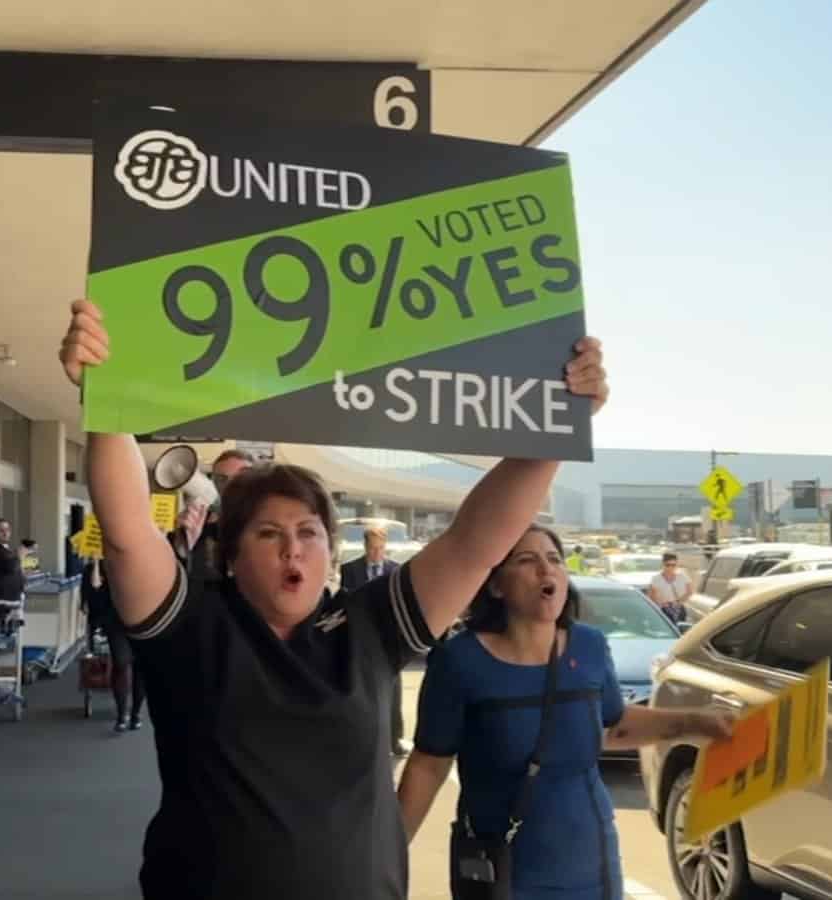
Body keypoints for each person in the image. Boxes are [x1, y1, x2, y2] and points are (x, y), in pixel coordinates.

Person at [57, 297, 609, 900]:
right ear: (231, 556)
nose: (293, 550)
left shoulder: (367, 625)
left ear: (329, 548)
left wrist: (559, 425)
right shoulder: (193, 626)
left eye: (309, 534)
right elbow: (129, 531)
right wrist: (104, 402)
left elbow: (476, 540)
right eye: (268, 535)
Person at [396, 526, 733, 900]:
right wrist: (387, 859)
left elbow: (614, 723)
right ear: (495, 586)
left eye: (554, 559)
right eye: (527, 560)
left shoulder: (589, 646)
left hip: (590, 858)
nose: (546, 570)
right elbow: (429, 765)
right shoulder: (460, 661)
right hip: (501, 866)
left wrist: (698, 722)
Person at [340, 526, 410, 758]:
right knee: (363, 690)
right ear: (365, 547)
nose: (376, 554)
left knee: (393, 692)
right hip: (360, 639)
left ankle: (394, 740)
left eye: (380, 549)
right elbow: (346, 602)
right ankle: (363, 740)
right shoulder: (349, 570)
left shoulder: (395, 570)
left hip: (389, 640)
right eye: (372, 549)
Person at [169, 447, 257, 579]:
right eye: (221, 479)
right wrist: (182, 547)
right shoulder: (193, 524)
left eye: (240, 479)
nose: (229, 486)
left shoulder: (263, 529)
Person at [81, 558, 147, 732]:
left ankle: (136, 713)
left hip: (139, 620)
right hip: (114, 621)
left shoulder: (138, 561)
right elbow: (92, 595)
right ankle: (121, 715)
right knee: (121, 662)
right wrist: (95, 564)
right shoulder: (99, 566)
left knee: (140, 666)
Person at [646, 551, 693, 622]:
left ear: (677, 564)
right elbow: (651, 596)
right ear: (663, 564)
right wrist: (661, 604)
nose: (670, 567)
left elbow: (689, 592)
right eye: (668, 565)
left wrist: (678, 602)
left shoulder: (682, 576)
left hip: (679, 609)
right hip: (663, 610)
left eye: (673, 565)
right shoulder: (656, 578)